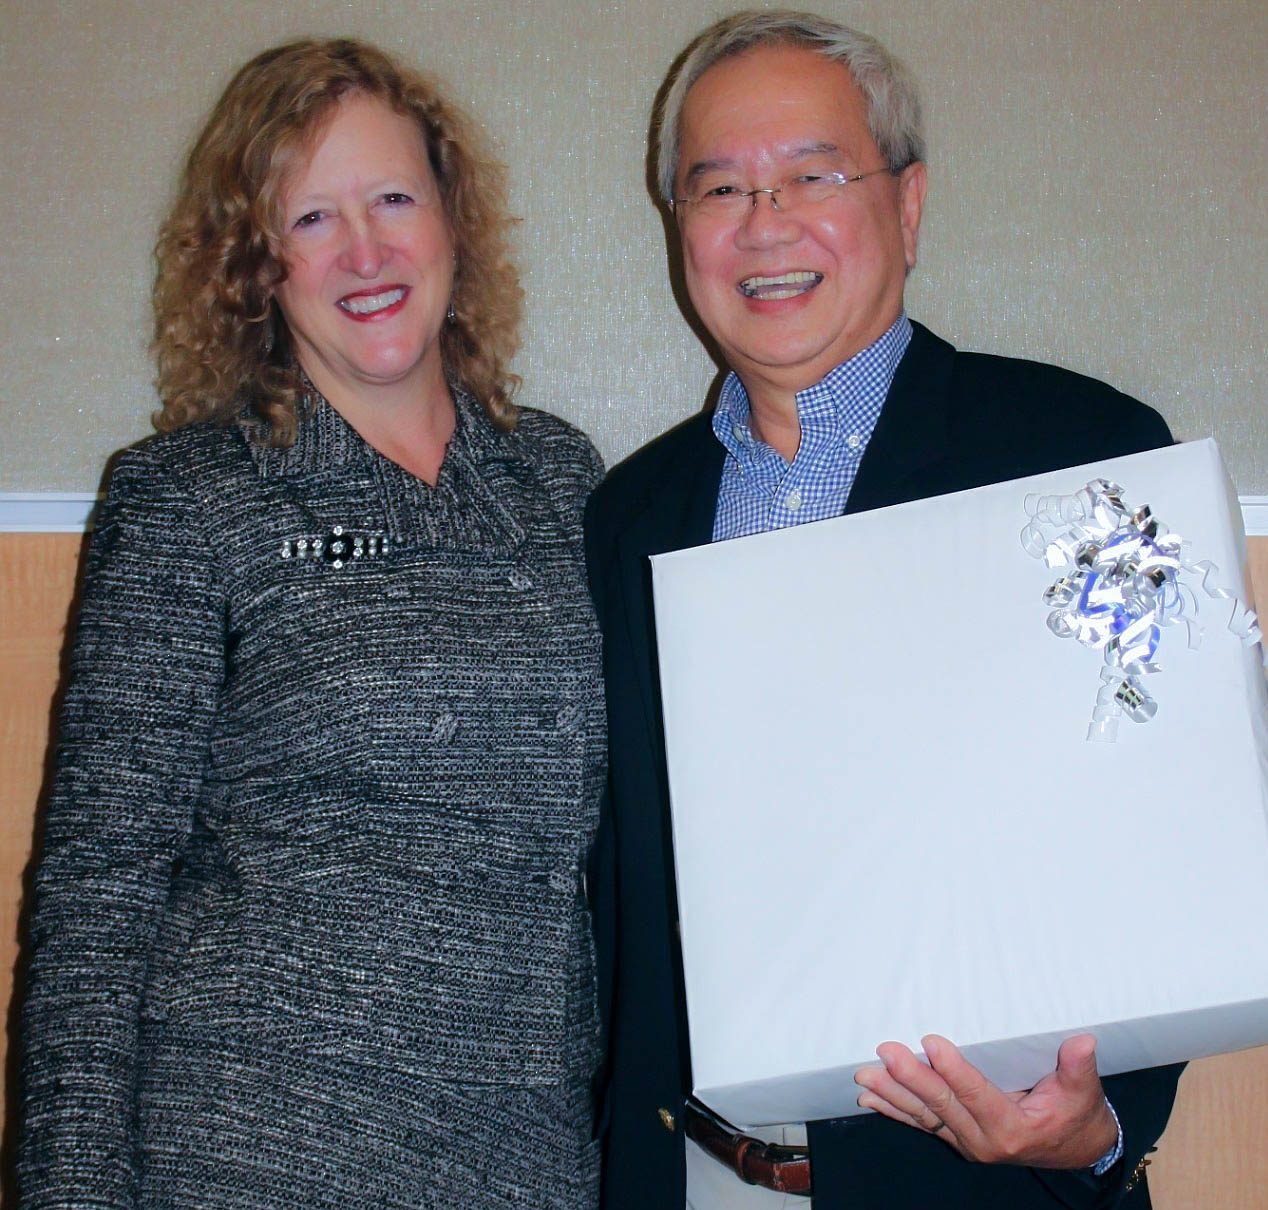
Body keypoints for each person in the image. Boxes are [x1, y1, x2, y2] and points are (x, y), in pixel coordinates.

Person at [585, 10, 1181, 1209]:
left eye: (812, 175)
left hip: (977, 1182)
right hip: (688, 1177)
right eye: (717, 188)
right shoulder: (624, 516)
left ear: (905, 208)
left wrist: (1101, 1120)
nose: (763, 225)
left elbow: (1175, 818)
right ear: (678, 228)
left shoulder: (1087, 455)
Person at [19, 38, 604, 1209]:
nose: (368, 251)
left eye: (393, 198)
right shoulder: (191, 496)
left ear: (451, 221)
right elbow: (99, 884)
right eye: (311, 218)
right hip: (254, 1147)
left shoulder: (558, 478)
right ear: (255, 262)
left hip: (526, 1152)